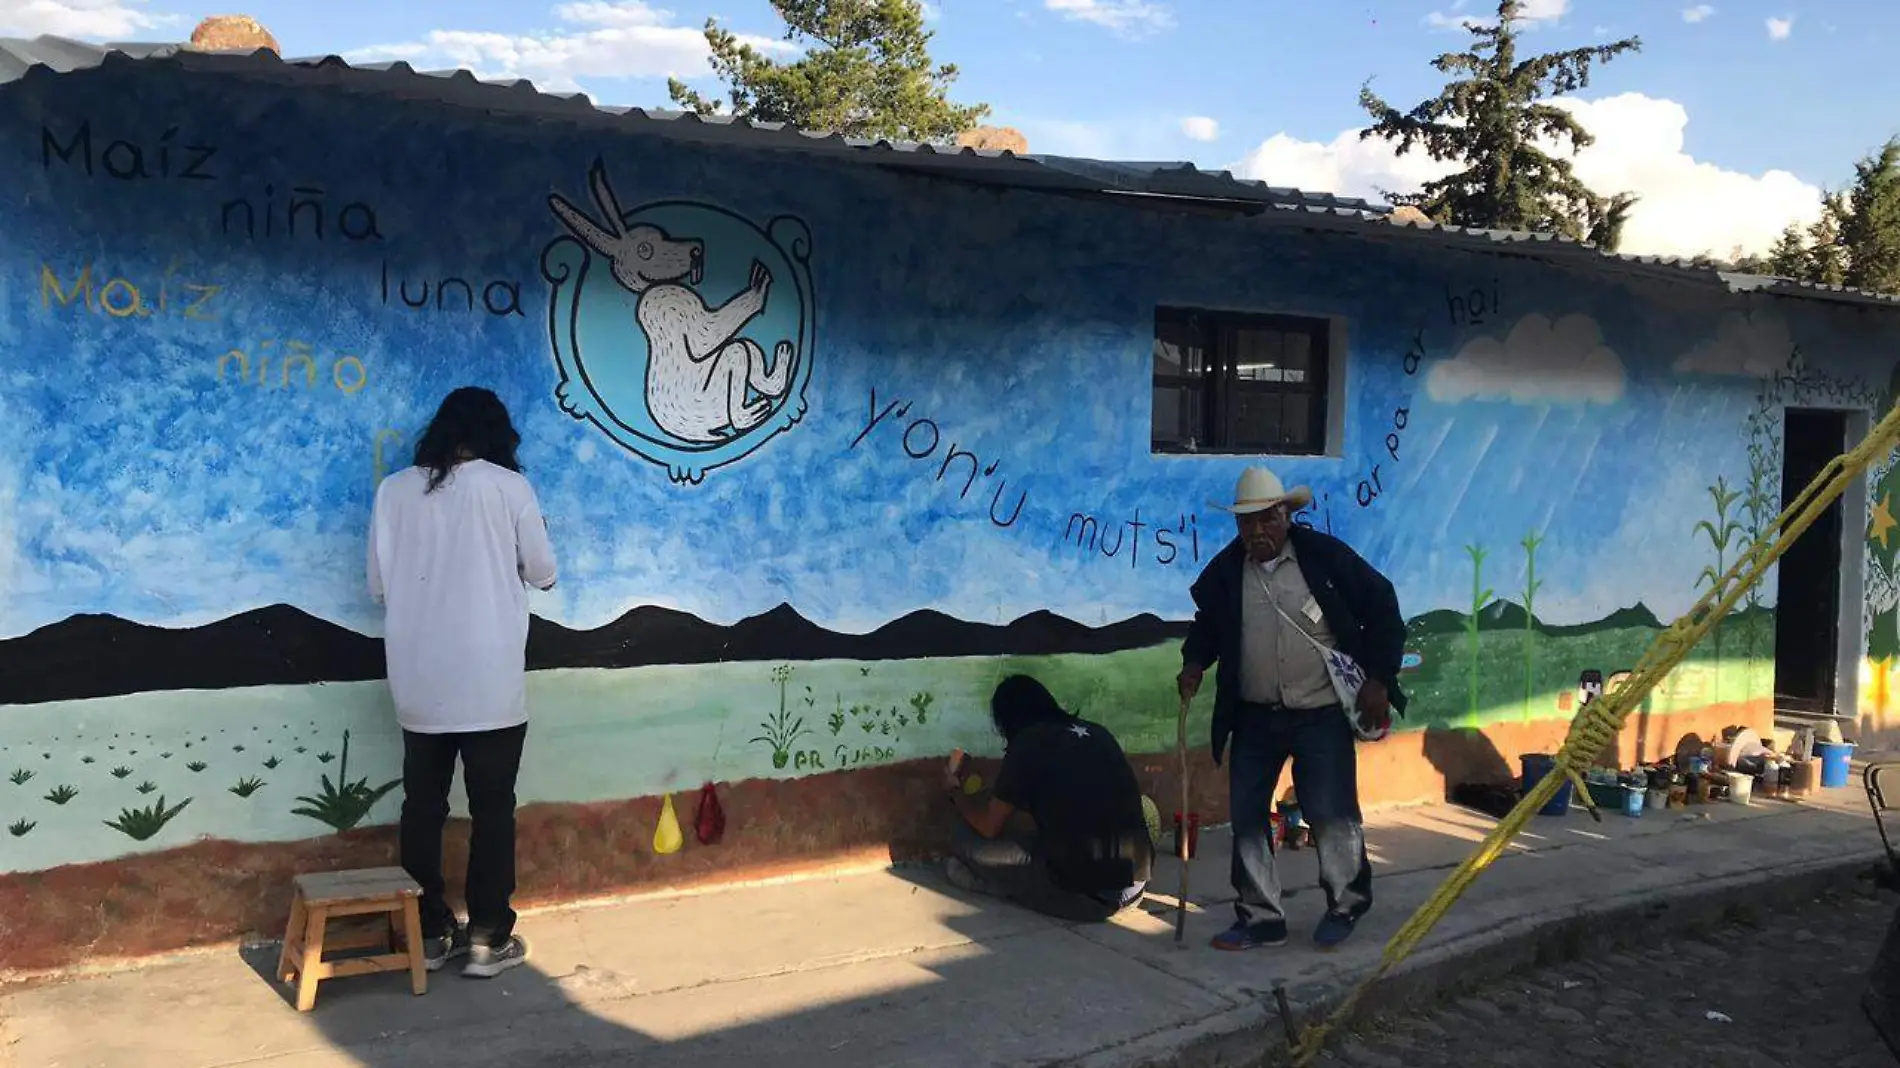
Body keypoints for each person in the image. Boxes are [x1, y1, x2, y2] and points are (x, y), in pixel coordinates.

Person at [367, 387, 558, 979]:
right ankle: (487, 938)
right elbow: (544, 573)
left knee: (422, 807)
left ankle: (425, 933)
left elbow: (378, 586)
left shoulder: (394, 491)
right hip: (490, 681)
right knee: (492, 809)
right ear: (498, 434)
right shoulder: (509, 488)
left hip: (419, 681)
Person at [1178, 466, 1406, 952]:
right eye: (1248, 523)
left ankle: (1346, 903)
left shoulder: (1323, 558)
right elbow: (1207, 626)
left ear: (1286, 515)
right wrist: (1194, 663)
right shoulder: (1225, 573)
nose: (1258, 532)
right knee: (1246, 816)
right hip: (1255, 716)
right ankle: (1261, 917)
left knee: (1331, 813)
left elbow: (1382, 603)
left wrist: (1380, 679)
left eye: (1268, 520)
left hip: (1320, 713)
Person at [941, 675, 1154, 923]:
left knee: (962, 837)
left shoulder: (1027, 743)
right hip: (1137, 884)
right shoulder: (1097, 732)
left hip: (1093, 899)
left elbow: (989, 827)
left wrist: (954, 793)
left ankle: (1002, 887)